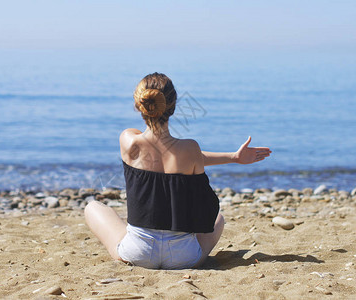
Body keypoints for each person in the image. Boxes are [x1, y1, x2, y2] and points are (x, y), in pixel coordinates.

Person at [85, 72, 271, 269]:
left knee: (93, 208)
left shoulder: (128, 140)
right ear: (172, 107)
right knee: (218, 219)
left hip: (138, 252)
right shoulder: (190, 149)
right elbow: (193, 171)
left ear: (139, 105)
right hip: (183, 257)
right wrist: (233, 158)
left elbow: (161, 150)